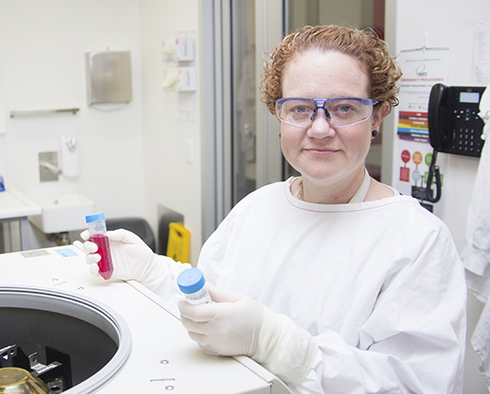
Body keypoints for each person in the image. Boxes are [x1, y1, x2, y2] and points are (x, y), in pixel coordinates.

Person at [77, 25, 466, 393]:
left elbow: (419, 384)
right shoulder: (259, 207)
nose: (319, 128)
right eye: (299, 109)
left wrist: (281, 345)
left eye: (344, 108)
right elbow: (211, 306)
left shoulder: (416, 240)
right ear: (278, 115)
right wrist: (152, 271)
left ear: (377, 115)